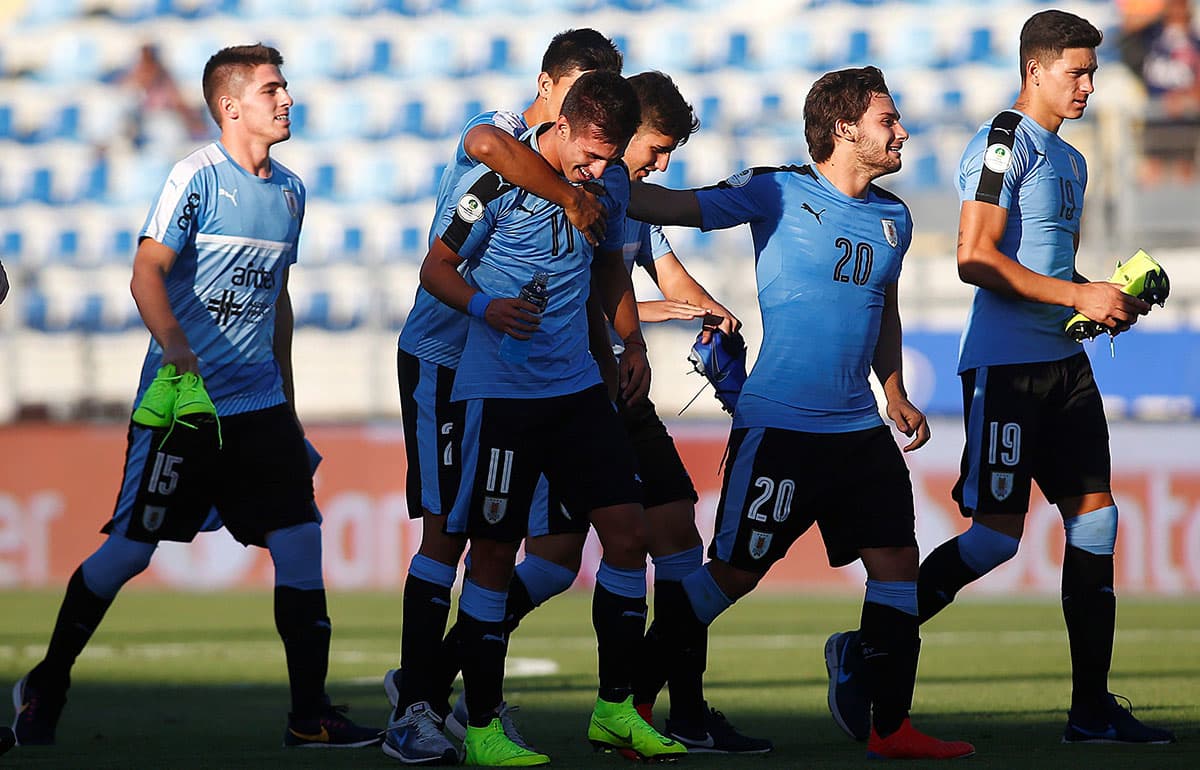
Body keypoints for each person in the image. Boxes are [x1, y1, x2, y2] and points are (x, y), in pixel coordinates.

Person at [9, 44, 381, 750]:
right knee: (129, 554)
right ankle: (48, 681)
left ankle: (309, 715)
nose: (286, 99)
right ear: (231, 105)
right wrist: (176, 344)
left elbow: (278, 303)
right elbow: (146, 271)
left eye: (287, 87)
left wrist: (290, 407)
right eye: (272, 89)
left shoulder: (292, 191)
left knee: (301, 542)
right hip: (185, 408)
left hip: (260, 409)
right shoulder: (196, 178)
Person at [825, 10, 1176, 747]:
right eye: (1076, 70)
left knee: (1098, 520)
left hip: (1063, 363)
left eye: (1092, 71)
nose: (1088, 84)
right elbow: (975, 257)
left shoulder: (1072, 160)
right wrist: (1077, 294)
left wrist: (1100, 301)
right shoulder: (1004, 141)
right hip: (1006, 370)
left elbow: (1047, 274)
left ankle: (1089, 710)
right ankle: (863, 650)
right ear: (1034, 70)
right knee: (993, 540)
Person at [628, 65, 975, 761]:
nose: (901, 132)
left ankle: (889, 726)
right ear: (845, 129)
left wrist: (895, 389)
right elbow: (671, 207)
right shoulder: (775, 189)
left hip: (858, 429)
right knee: (732, 575)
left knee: (898, 564)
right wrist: (590, 181)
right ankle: (629, 704)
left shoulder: (894, 217)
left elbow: (885, 310)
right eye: (888, 120)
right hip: (781, 427)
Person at [436, 69, 771, 756]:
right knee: (497, 557)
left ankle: (616, 709)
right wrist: (483, 306)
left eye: (607, 155)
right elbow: (435, 267)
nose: (597, 168)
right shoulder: (496, 183)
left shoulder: (612, 185)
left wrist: (632, 344)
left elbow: (611, 270)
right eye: (589, 153)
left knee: (628, 537)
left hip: (579, 395)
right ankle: (478, 727)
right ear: (559, 125)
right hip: (501, 395)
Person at [382, 28, 623, 765]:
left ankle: (452, 687)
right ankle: (416, 704)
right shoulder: (505, 133)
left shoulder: (591, 170)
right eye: (577, 86)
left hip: (535, 373)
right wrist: (568, 197)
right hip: (449, 356)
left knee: (544, 550)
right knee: (449, 537)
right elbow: (488, 145)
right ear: (549, 84)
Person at [1122, 0, 1200, 184]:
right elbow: (1127, 33)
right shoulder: (1151, 38)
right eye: (1173, 7)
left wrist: (1188, 97)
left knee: (1185, 172)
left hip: (1186, 120)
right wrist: (1155, 15)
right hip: (1155, 118)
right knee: (1152, 171)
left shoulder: (1195, 42)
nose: (1177, 12)